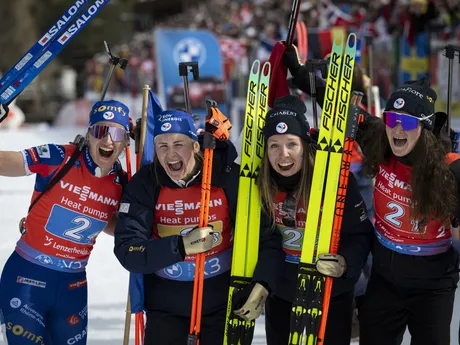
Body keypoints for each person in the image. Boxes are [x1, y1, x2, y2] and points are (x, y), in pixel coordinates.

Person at [114, 109, 282, 344]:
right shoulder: (145, 183)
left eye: (178, 144)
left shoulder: (226, 176)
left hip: (222, 305)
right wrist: (180, 247)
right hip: (165, 308)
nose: (170, 154)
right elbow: (127, 249)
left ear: (195, 146)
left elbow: (267, 237)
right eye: (162, 146)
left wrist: (264, 283)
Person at [235, 95, 373, 345]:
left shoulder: (334, 181)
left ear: (304, 145)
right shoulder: (261, 185)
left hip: (331, 293)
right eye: (274, 145)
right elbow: (269, 243)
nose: (283, 154)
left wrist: (345, 264)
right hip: (283, 295)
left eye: (291, 144)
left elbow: (359, 234)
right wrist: (263, 283)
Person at [0, 100, 131, 345]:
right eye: (100, 131)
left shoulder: (121, 183)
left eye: (117, 133)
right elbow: (6, 162)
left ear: (125, 142)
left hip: (73, 285)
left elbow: (113, 224)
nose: (108, 141)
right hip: (26, 278)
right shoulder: (60, 158)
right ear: (89, 133)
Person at [356, 77, 460, 345]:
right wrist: (300, 73)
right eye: (392, 119)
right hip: (385, 281)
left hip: (432, 287)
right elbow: (345, 109)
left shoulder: (450, 169)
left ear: (424, 128)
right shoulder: (380, 141)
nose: (398, 129)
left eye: (409, 122)